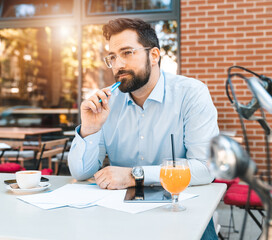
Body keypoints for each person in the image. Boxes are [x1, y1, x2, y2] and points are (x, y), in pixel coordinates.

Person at [68, 17, 219, 240]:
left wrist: (133, 176)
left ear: (154, 55)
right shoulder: (108, 103)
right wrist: (89, 129)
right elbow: (81, 173)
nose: (118, 65)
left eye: (127, 53)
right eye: (112, 57)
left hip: (182, 212)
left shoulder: (191, 94)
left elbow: (206, 169)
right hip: (120, 213)